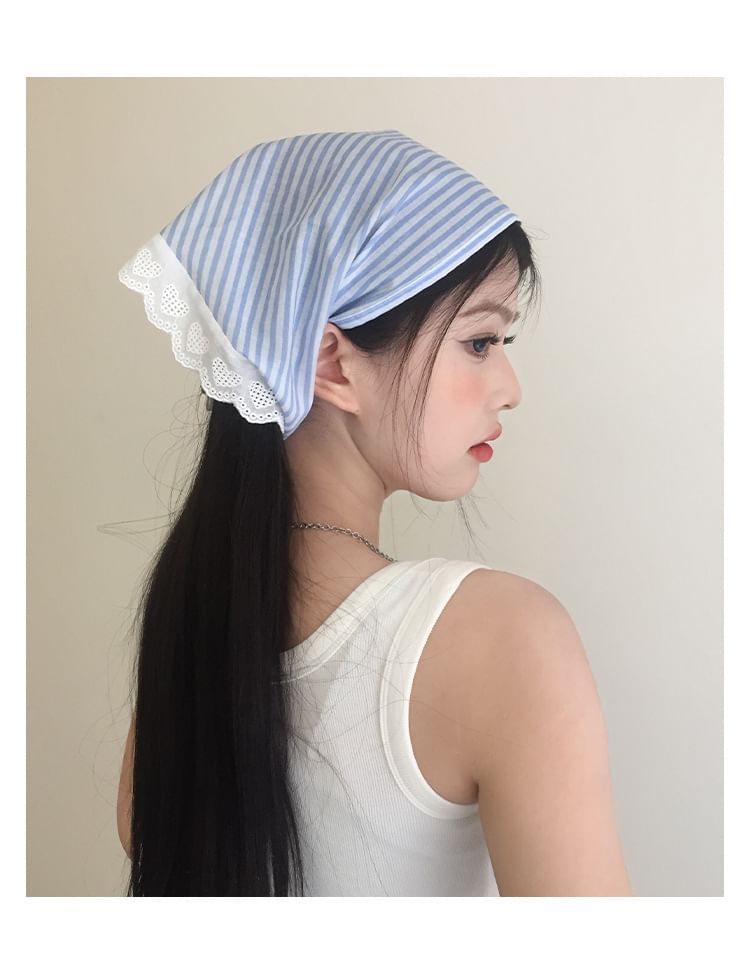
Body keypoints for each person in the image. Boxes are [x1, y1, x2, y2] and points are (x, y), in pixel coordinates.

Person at [115, 129, 633, 896]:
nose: (510, 387)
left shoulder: (189, 633)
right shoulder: (505, 638)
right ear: (332, 362)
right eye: (480, 341)